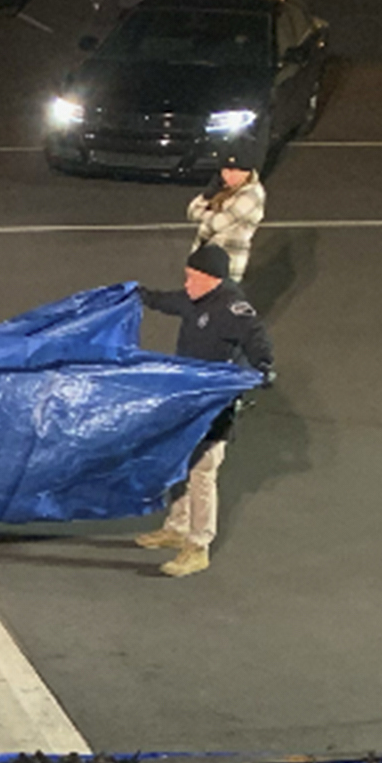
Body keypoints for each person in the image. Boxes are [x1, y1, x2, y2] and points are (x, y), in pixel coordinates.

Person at [135, 246, 275, 579]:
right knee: (180, 463)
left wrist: (265, 366)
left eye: (191, 277)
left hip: (214, 409)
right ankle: (178, 526)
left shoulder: (232, 308)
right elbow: (167, 301)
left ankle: (198, 546)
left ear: (211, 279)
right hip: (188, 401)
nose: (186, 284)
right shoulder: (193, 299)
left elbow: (256, 337)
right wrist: (139, 296)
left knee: (201, 473)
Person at [188, 152, 266, 284]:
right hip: (203, 257)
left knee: (217, 303)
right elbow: (191, 212)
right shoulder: (222, 188)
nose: (229, 176)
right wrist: (207, 196)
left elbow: (218, 223)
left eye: (235, 171)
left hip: (227, 264)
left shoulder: (252, 194)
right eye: (226, 170)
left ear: (247, 172)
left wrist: (204, 214)